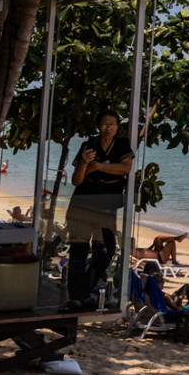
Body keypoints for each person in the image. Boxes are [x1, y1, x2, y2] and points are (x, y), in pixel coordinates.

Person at [64, 110, 134, 311]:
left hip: (106, 206)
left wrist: (97, 166)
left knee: (106, 250)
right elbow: (76, 180)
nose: (108, 128)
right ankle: (77, 298)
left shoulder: (122, 144)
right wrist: (86, 163)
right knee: (78, 252)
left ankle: (83, 293)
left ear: (118, 126)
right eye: (104, 124)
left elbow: (126, 168)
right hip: (81, 203)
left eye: (112, 124)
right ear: (98, 126)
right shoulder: (89, 145)